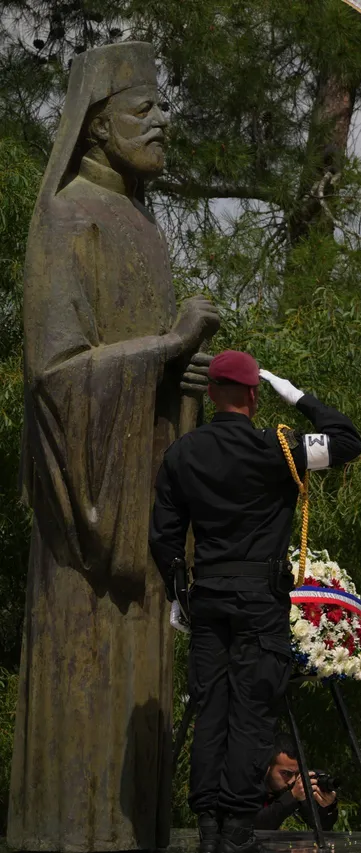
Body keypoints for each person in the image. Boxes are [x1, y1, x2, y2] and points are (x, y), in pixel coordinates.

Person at [9, 41, 219, 851]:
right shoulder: (68, 218)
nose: (164, 120)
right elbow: (56, 376)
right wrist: (167, 350)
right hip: (86, 521)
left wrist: (181, 376)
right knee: (84, 671)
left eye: (164, 105)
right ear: (96, 126)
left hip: (141, 497)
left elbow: (147, 366)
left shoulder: (144, 227)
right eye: (144, 108)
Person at [149, 351, 361, 853]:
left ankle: (208, 826)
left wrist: (177, 594)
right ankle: (237, 829)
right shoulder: (279, 448)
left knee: (210, 711)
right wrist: (298, 396)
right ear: (253, 395)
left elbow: (164, 535)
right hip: (259, 602)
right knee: (251, 712)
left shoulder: (183, 452)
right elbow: (348, 441)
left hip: (208, 599)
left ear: (210, 393)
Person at [256, 734, 339, 831]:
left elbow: (322, 826)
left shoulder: (291, 789)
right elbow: (253, 826)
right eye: (286, 773)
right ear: (267, 767)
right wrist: (292, 796)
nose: (292, 780)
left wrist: (327, 806)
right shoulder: (249, 786)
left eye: (298, 774)